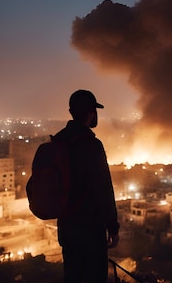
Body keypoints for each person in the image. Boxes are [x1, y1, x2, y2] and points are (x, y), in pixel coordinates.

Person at [54, 89, 120, 282]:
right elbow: (104, 191)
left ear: (71, 111)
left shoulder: (58, 140)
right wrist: (113, 228)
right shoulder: (91, 145)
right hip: (90, 229)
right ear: (92, 112)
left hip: (66, 227)